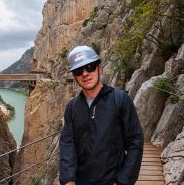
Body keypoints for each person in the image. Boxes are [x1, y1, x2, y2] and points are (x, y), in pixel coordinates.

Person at [59, 45, 144, 185]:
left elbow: (135, 141)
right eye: (79, 70)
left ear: (100, 68)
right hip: (80, 181)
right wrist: (68, 179)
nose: (85, 73)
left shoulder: (120, 99)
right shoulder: (72, 107)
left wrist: (123, 181)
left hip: (112, 180)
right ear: (75, 76)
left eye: (90, 67)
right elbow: (68, 143)